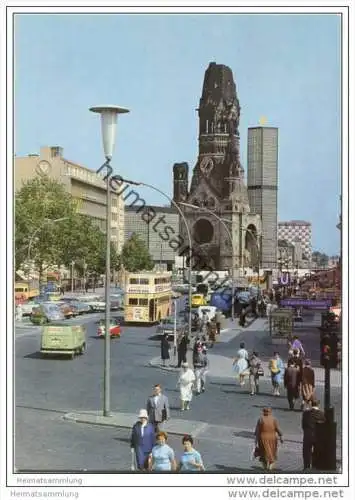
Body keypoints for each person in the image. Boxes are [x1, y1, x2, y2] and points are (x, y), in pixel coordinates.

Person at [302, 399, 326, 471]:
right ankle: (315, 466)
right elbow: (324, 425)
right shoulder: (322, 414)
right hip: (317, 435)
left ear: (311, 404)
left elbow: (303, 425)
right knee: (317, 451)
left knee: (306, 451)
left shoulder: (305, 413)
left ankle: (306, 467)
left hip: (307, 435)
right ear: (318, 404)